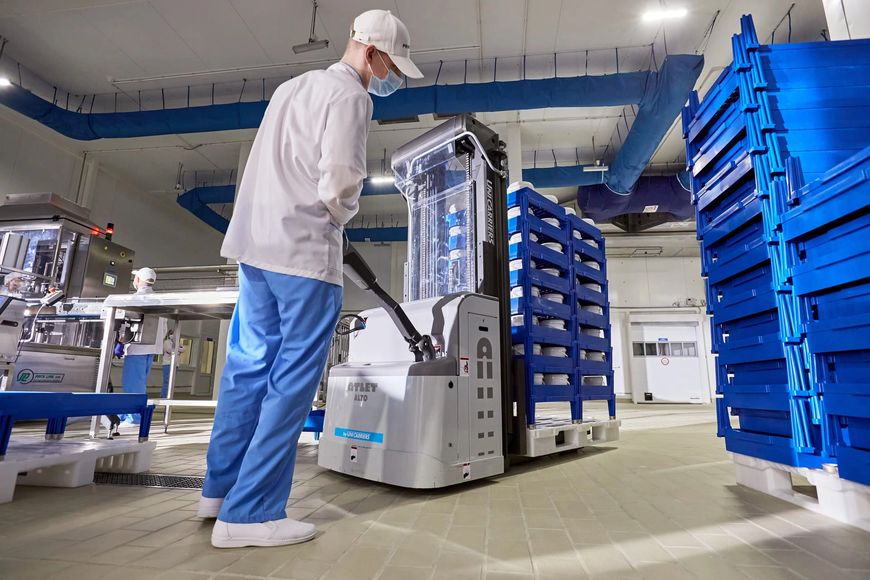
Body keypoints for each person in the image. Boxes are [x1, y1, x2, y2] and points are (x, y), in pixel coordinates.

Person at [200, 9, 422, 549]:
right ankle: (250, 514)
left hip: (256, 246)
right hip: (303, 253)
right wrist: (340, 220)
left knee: (246, 371)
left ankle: (218, 493)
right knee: (291, 384)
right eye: (392, 66)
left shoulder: (292, 87)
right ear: (371, 53)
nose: (391, 78)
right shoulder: (351, 96)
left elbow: (268, 165)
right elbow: (340, 182)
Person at [119, 267, 167, 424]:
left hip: (137, 348)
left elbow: (124, 322)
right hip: (152, 349)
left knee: (133, 385)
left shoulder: (135, 299)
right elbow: (164, 328)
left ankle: (134, 418)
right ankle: (128, 414)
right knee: (139, 383)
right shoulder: (160, 300)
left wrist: (119, 340)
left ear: (138, 280)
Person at [160, 327, 185, 398]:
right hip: (168, 364)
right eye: (172, 334)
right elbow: (169, 350)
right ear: (169, 335)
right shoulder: (166, 342)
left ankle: (169, 396)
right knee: (167, 381)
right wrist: (178, 350)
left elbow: (183, 349)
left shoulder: (177, 343)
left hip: (175, 364)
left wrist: (176, 350)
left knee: (172, 382)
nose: (174, 336)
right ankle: (164, 396)